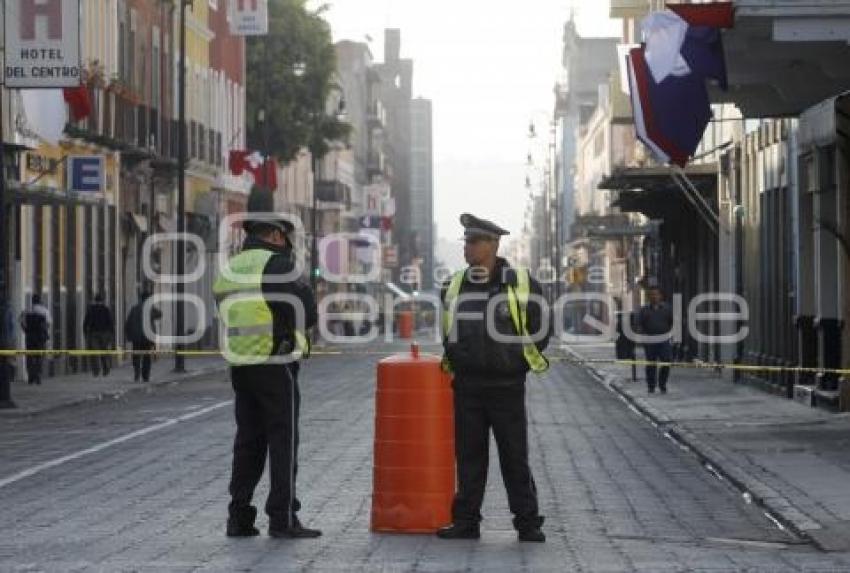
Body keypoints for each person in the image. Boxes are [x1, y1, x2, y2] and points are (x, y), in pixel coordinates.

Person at [213, 187, 320, 539]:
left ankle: (239, 516)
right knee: (282, 440)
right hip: (275, 362)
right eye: (286, 238)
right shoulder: (277, 264)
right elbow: (306, 312)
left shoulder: (231, 268)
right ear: (276, 235)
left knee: (248, 442)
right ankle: (282, 518)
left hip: (241, 363)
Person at [437, 213, 550, 543]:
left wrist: (517, 360)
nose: (468, 249)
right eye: (466, 242)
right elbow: (447, 330)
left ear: (494, 244)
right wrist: (459, 359)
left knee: (514, 457)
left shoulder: (523, 282)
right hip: (468, 386)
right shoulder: (453, 284)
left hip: (506, 385)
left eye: (475, 242)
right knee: (469, 458)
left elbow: (541, 329)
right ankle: (466, 522)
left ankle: (527, 523)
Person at [637, 286, 674, 394]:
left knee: (666, 362)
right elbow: (639, 325)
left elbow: (673, 323)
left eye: (656, 294)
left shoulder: (667, 309)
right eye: (652, 294)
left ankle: (662, 384)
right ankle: (651, 386)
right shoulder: (644, 310)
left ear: (660, 296)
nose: (654, 296)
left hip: (664, 340)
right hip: (650, 341)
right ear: (649, 296)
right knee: (651, 364)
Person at [124, 289, 161, 382]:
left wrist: (128, 335)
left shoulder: (134, 308)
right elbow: (159, 314)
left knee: (136, 356)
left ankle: (137, 373)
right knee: (146, 357)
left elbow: (128, 322)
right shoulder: (150, 308)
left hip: (136, 337)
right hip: (147, 337)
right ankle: (145, 376)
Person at [20, 294, 50, 385]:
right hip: (40, 338)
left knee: (29, 357)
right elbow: (48, 324)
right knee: (39, 357)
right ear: (40, 301)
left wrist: (26, 331)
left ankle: (30, 376)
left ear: (32, 301)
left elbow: (21, 321)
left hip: (29, 338)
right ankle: (38, 375)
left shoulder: (27, 311)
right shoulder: (44, 311)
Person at [83, 293, 115, 377]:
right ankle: (106, 368)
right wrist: (111, 334)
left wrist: (86, 333)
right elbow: (111, 323)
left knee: (95, 352)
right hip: (105, 334)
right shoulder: (106, 309)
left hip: (94, 334)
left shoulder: (91, 309)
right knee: (104, 351)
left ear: (95, 300)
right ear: (102, 300)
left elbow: (86, 323)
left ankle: (96, 370)